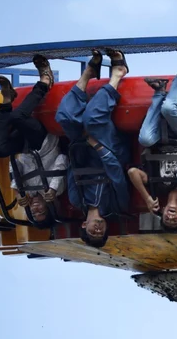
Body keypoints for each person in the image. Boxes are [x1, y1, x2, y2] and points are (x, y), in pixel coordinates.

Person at [55, 48, 131, 247]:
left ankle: (88, 73)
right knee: (92, 120)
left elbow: (73, 167)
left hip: (84, 148)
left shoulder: (76, 199)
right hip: (111, 152)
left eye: (92, 232)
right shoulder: (116, 205)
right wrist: (97, 145)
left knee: (65, 118)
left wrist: (79, 142)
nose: (97, 230)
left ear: (84, 225)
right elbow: (117, 175)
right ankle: (118, 73)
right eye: (101, 233)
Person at [128, 53, 177, 231]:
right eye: (174, 220)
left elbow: (132, 172)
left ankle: (160, 91)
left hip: (159, 140)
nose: (170, 216)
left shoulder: (157, 189)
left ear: (161, 210)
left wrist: (146, 197)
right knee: (169, 109)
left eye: (166, 219)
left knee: (144, 139)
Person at [0, 55, 66, 226]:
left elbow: (15, 164)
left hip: (25, 148)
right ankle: (45, 81)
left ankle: (7, 101)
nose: (35, 208)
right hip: (43, 143)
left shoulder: (26, 190)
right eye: (41, 211)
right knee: (18, 116)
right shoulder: (57, 190)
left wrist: (17, 189)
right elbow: (62, 159)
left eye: (33, 213)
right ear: (50, 207)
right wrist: (53, 188)